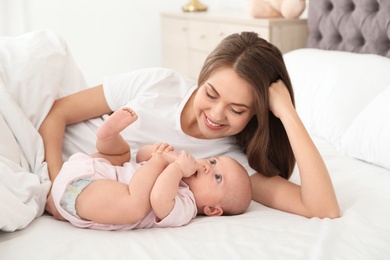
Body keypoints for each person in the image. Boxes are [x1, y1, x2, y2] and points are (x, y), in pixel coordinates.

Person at [39, 31, 340, 220]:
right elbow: (58, 113)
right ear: (202, 76)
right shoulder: (159, 83)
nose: (216, 114)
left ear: (256, 115)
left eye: (236, 110)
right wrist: (54, 184)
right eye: (210, 93)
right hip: (51, 159)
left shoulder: (229, 166)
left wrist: (287, 113)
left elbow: (322, 208)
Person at [51, 107, 252, 230]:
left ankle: (107, 140)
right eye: (214, 162)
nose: (208, 167)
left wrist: (164, 163)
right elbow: (140, 158)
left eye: (218, 178)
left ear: (212, 209)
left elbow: (158, 199)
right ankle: (108, 137)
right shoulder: (177, 168)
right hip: (91, 171)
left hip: (85, 189)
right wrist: (155, 152)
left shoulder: (186, 205)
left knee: (136, 206)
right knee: (122, 156)